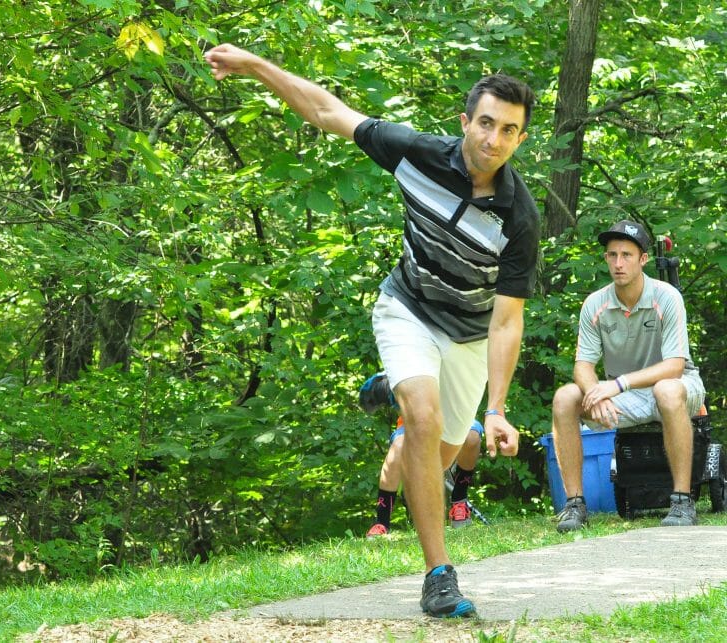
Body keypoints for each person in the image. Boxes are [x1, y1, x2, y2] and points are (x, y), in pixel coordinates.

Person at [205, 44, 538, 618]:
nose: (493, 139)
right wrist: (257, 65)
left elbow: (507, 318)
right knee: (423, 419)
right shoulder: (417, 153)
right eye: (486, 123)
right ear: (466, 122)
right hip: (407, 307)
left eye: (509, 131)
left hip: (468, 337)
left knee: (437, 455)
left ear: (519, 140)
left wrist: (498, 409)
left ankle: (389, 386)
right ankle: (439, 576)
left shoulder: (519, 215)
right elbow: (329, 112)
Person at [550, 220, 706, 531]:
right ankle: (574, 505)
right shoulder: (595, 304)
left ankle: (681, 501)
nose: (618, 263)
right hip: (621, 394)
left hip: (678, 387)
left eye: (627, 255)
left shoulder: (666, 297)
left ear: (643, 259)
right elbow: (583, 366)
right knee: (565, 396)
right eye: (612, 255)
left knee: (666, 389)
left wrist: (616, 384)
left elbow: (675, 365)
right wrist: (595, 392)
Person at [360, 375, 483, 536]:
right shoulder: (403, 367)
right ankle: (382, 523)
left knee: (472, 436)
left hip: (451, 417)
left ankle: (459, 502)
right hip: (412, 423)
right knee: (397, 448)